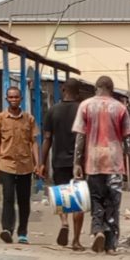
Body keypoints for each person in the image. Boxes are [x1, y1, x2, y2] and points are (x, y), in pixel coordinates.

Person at [74, 75, 130, 251]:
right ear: (112, 89)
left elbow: (80, 136)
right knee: (113, 203)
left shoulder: (85, 106)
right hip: (114, 161)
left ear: (96, 88)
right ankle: (111, 245)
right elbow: (128, 139)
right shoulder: (120, 108)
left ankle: (98, 229)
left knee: (96, 199)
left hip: (93, 160)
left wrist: (77, 162)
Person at [0, 86, 40, 243]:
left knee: (24, 200)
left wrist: (37, 163)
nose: (13, 99)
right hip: (6, 164)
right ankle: (7, 228)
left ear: (20, 99)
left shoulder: (29, 119)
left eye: (16, 97)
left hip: (25, 166)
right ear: (7, 99)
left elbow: (34, 142)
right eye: (10, 97)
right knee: (8, 198)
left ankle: (22, 233)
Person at [42, 80, 85, 244]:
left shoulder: (53, 111)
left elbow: (47, 139)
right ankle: (76, 240)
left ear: (63, 89)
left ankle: (64, 222)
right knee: (79, 200)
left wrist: (42, 162)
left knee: (62, 195)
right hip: (78, 163)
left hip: (58, 161)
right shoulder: (82, 110)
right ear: (78, 92)